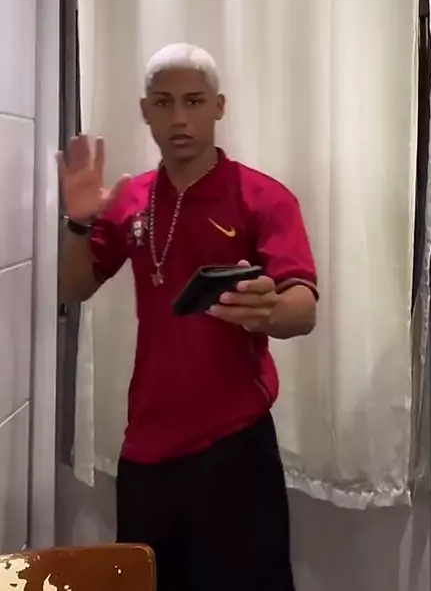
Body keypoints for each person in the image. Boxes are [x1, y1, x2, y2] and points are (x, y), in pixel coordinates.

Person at [58, 43, 317, 591]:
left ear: (218, 106)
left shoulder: (263, 198)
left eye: (194, 102)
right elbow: (73, 287)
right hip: (146, 447)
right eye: (164, 103)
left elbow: (304, 308)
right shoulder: (130, 199)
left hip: (235, 443)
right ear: (145, 110)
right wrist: (79, 224)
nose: (179, 118)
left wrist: (268, 309)